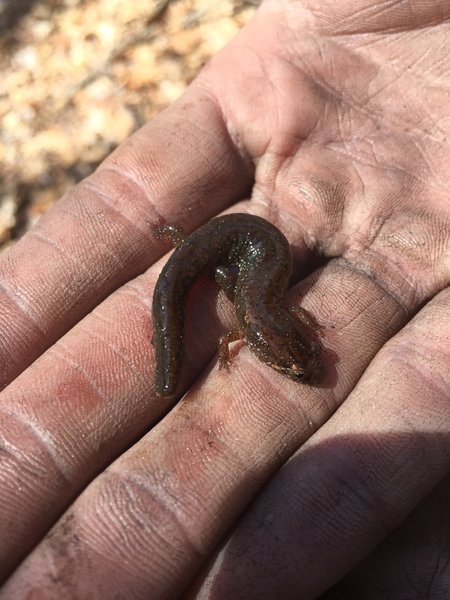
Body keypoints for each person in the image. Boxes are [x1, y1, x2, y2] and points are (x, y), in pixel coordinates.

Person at [1, 0, 449, 597]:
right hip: (232, 249)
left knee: (200, 275)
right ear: (276, 339)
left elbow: (251, 320)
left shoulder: (260, 323)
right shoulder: (262, 322)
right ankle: (183, 265)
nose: (302, 366)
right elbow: (249, 318)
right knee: (183, 283)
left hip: (238, 250)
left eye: (297, 363)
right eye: (299, 360)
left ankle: (185, 260)